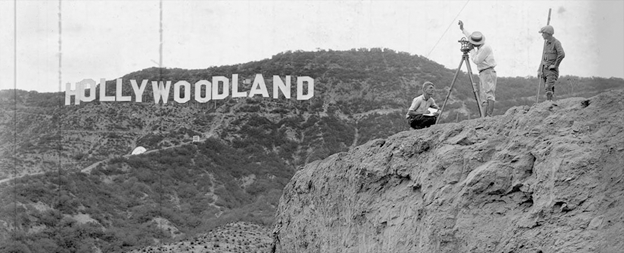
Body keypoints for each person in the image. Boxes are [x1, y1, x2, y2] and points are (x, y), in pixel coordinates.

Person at [458, 20, 497, 117]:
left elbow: (476, 60)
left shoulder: (485, 48)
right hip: (483, 72)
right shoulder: (480, 46)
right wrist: (463, 29)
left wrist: (471, 50)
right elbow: (471, 36)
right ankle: (483, 117)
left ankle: (489, 116)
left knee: (489, 94)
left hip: (488, 72)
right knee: (483, 97)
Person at [538, 25, 565, 101]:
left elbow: (562, 54)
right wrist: (539, 69)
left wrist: (555, 65)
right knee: (547, 89)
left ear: (547, 33)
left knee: (549, 87)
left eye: (543, 33)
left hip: (551, 71)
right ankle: (549, 103)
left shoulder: (556, 43)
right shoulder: (546, 44)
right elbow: (543, 58)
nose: (542, 35)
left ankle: (549, 104)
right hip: (545, 70)